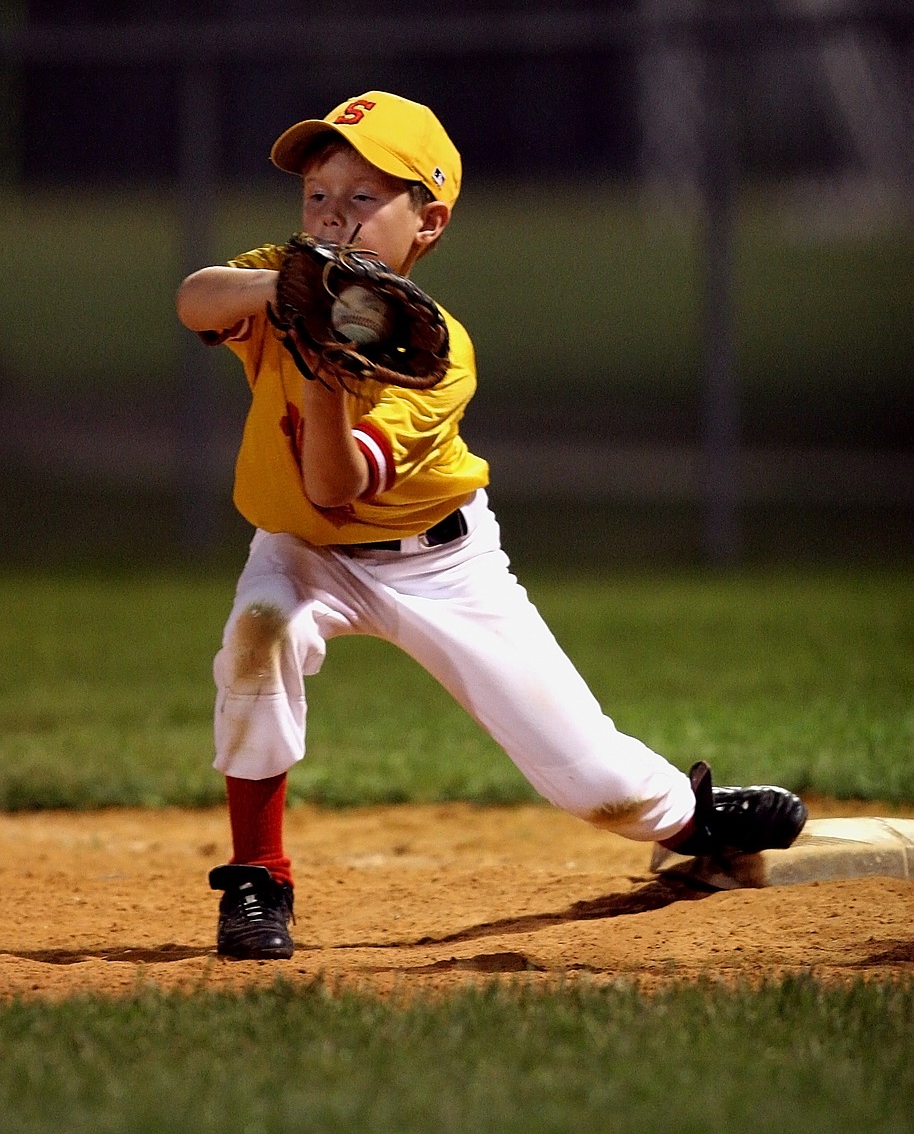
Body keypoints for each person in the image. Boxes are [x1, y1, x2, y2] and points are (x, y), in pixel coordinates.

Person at [176, 90, 807, 960]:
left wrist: (321, 372)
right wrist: (284, 291)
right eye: (317, 195)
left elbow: (332, 487)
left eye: (364, 199)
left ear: (427, 222)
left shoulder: (434, 355)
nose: (331, 217)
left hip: (442, 568)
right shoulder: (285, 272)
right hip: (300, 554)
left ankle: (697, 823)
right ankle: (257, 880)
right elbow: (195, 300)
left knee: (597, 785)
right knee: (261, 632)